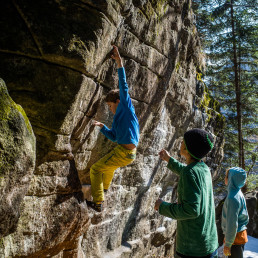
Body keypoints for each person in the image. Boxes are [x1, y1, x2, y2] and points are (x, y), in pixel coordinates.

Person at [86, 45, 140, 212]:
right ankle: (104, 190)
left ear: (118, 101)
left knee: (95, 169)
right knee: (109, 167)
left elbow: (123, 87)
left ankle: (98, 202)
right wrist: (103, 127)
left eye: (110, 105)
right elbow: (114, 137)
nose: (109, 109)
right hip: (125, 152)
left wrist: (119, 62)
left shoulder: (125, 106)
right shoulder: (118, 119)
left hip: (125, 152)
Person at [155, 128, 218, 257]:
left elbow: (191, 210)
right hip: (208, 242)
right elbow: (188, 171)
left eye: (183, 142)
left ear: (189, 148)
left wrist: (163, 207)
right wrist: (169, 160)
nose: (181, 143)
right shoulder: (203, 169)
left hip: (193, 249)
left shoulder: (190, 173)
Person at [222, 167, 249, 258]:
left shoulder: (232, 198)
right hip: (239, 235)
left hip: (235, 239)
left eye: (226, 176)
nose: (225, 178)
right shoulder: (238, 192)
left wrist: (228, 244)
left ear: (231, 179)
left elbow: (232, 223)